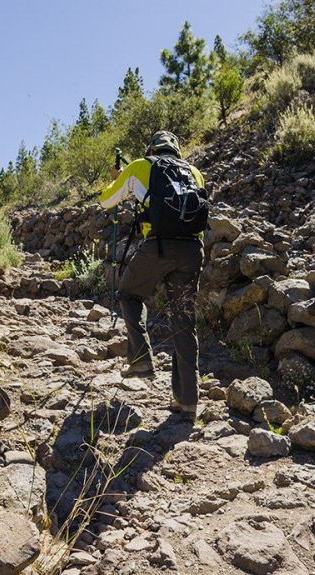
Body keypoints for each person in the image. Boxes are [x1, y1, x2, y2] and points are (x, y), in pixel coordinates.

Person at [99, 131, 206, 417]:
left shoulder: (140, 166)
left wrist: (117, 177)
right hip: (193, 250)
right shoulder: (193, 172)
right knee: (183, 322)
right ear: (177, 151)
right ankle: (187, 401)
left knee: (129, 294)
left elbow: (106, 201)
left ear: (152, 149)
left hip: (157, 246)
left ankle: (141, 358)